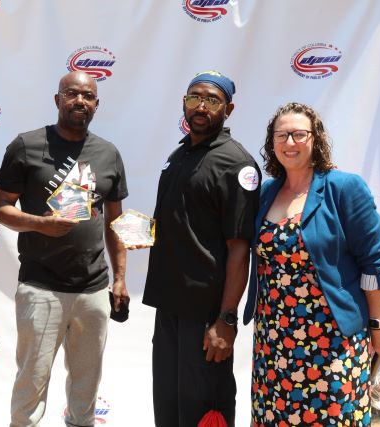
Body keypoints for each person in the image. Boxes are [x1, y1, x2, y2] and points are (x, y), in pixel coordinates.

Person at [243, 102, 380, 426]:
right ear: (272, 142)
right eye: (281, 135)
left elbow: (375, 262)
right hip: (274, 339)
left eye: (299, 134)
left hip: (331, 338)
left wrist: (379, 327)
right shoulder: (267, 192)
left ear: (316, 138)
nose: (289, 142)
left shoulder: (345, 188)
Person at [0, 70, 129, 427]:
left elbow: (116, 223)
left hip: (94, 289)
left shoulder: (108, 153)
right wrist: (41, 223)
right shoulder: (26, 146)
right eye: (72, 94)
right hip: (41, 287)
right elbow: (0, 208)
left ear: (96, 104)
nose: (79, 101)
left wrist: (120, 280)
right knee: (31, 385)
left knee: (85, 390)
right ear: (58, 100)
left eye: (87, 96)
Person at [142, 70, 261, 426]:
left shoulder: (236, 164)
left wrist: (226, 319)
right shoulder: (179, 155)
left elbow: (240, 249)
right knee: (169, 410)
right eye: (195, 97)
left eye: (212, 100)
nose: (201, 106)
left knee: (203, 413)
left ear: (229, 108)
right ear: (184, 102)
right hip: (169, 308)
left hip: (207, 316)